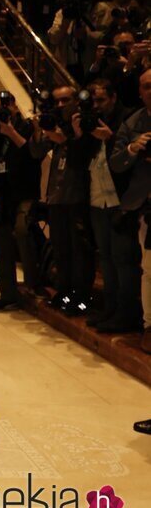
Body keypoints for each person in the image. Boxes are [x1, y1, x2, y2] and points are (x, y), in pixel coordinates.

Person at [78, 80, 143, 332]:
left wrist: (110, 137)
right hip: (97, 199)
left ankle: (126, 314)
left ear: (114, 97)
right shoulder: (91, 121)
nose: (97, 106)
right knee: (105, 258)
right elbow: (80, 159)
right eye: (93, 101)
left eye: (101, 100)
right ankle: (110, 308)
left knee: (123, 260)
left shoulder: (127, 120)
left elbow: (126, 159)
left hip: (120, 200)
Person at [30, 86, 95, 314]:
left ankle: (81, 296)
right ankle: (64, 292)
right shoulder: (53, 123)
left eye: (65, 100)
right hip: (56, 198)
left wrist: (67, 138)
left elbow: (83, 156)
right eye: (56, 101)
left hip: (77, 197)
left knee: (79, 251)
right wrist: (41, 130)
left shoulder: (83, 122)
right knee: (61, 249)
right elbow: (36, 151)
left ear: (75, 100)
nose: (60, 105)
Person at [0, 93, 41, 310]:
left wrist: (10, 131)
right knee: (2, 245)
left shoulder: (26, 126)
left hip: (23, 192)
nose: (2, 110)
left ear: (14, 105)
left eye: (5, 106)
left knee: (23, 233)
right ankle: (8, 294)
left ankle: (33, 285)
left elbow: (32, 155)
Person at [108, 67, 151, 334]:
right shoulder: (132, 123)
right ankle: (149, 326)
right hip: (145, 205)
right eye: (147, 86)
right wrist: (133, 148)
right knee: (149, 268)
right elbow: (116, 162)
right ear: (140, 91)